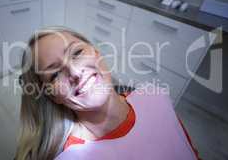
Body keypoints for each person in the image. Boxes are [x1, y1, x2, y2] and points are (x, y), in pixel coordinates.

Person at [15, 27, 199, 160]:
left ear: (96, 52)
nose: (76, 73)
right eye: (55, 74)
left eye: (77, 52)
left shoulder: (156, 97)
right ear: (53, 95)